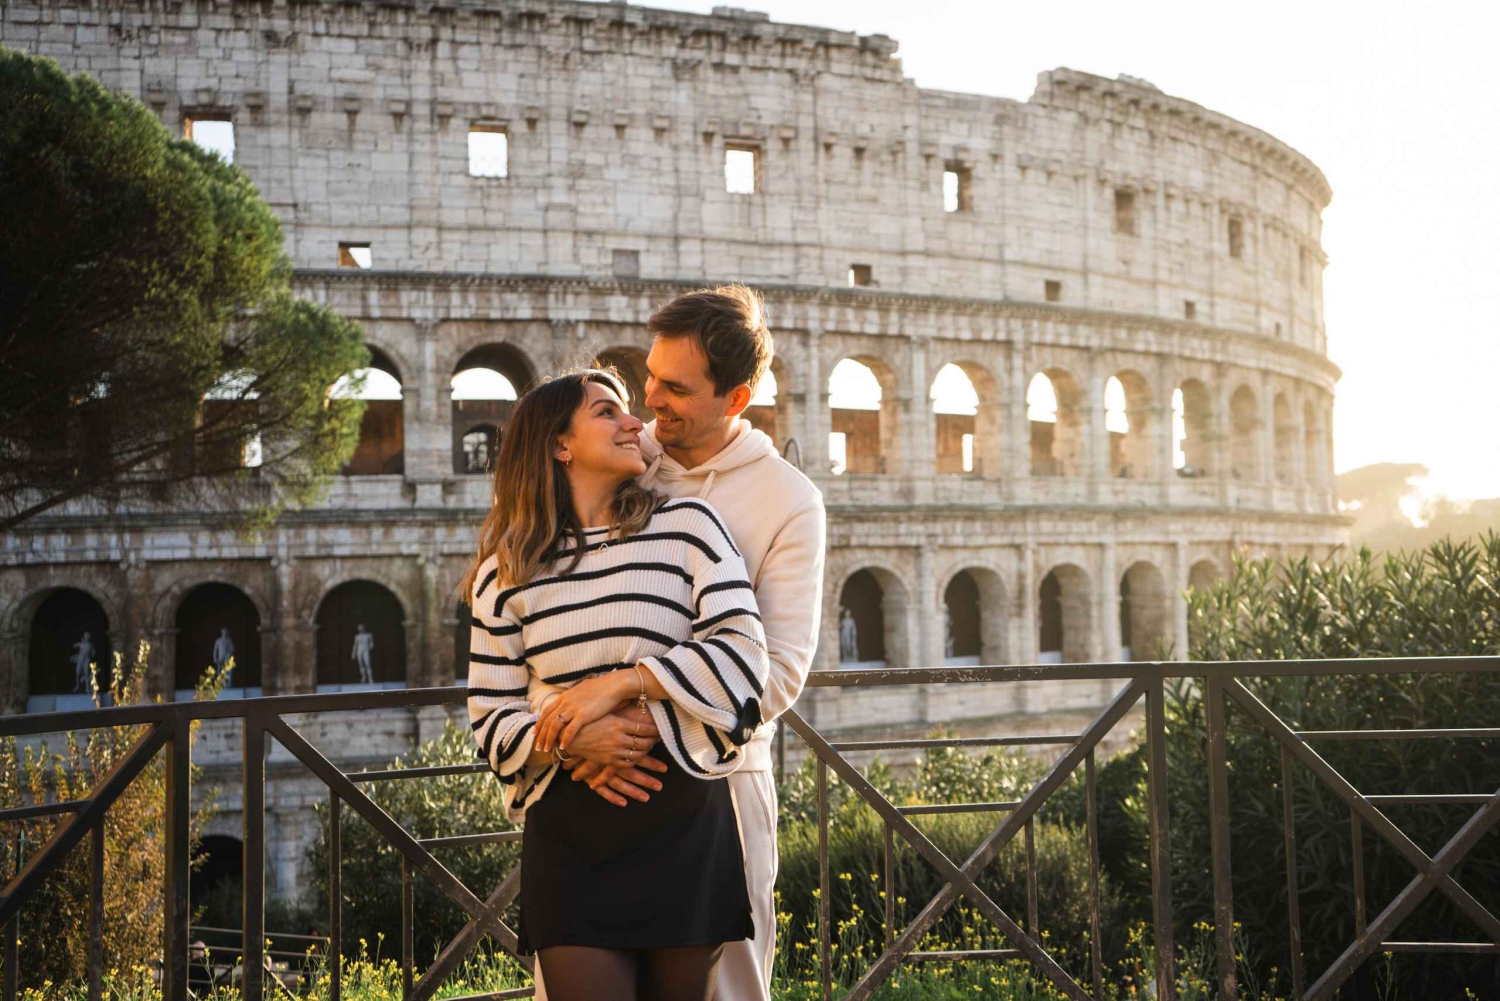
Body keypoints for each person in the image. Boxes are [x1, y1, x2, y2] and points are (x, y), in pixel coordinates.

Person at [532, 285, 826, 1001]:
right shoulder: (623, 455)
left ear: (737, 397)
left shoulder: (789, 500)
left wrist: (628, 708)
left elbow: (778, 674)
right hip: (591, 782)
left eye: (676, 387)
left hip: (718, 787)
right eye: (650, 377)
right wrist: (573, 736)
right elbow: (545, 616)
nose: (650, 400)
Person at [463, 368, 769, 1001]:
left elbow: (743, 658)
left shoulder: (690, 525)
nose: (637, 423)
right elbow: (491, 719)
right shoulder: (506, 572)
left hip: (683, 808)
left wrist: (619, 690)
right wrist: (574, 741)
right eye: (609, 412)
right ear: (559, 444)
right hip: (572, 827)